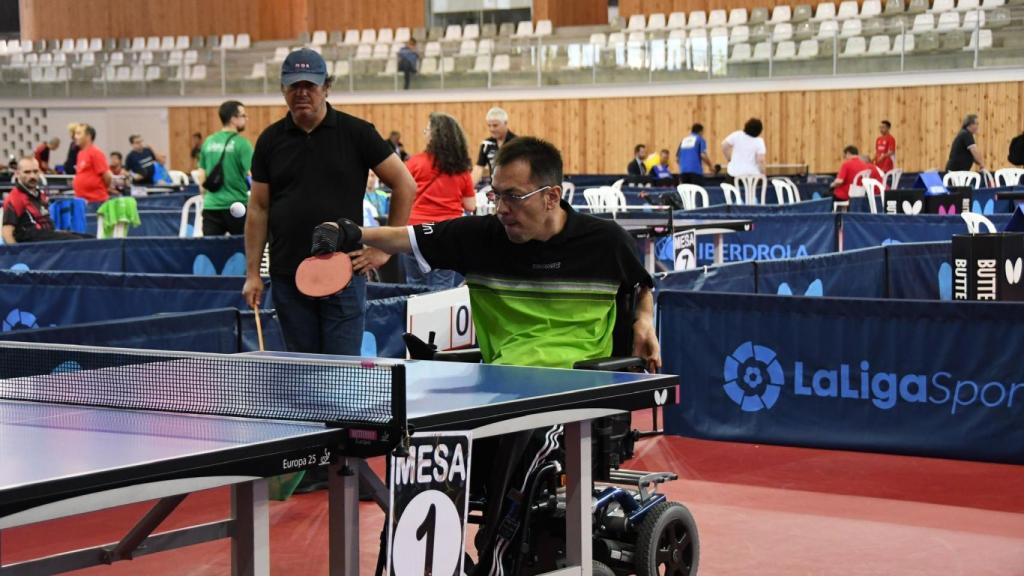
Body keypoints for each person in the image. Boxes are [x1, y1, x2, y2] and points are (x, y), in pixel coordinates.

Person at [318, 136, 661, 371]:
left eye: (513, 196)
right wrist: (352, 232)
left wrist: (644, 321)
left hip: (582, 383)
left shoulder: (606, 241)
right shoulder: (481, 237)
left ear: (552, 197)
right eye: (496, 195)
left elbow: (642, 286)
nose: (501, 208)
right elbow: (405, 237)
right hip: (506, 382)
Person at [242, 48, 416, 356]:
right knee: (303, 372)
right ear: (283, 89)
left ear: (327, 87)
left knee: (340, 374)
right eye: (295, 85)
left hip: (344, 274)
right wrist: (253, 273)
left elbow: (405, 184)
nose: (303, 92)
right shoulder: (269, 140)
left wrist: (384, 249)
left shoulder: (357, 133)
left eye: (310, 85)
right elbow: (258, 208)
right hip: (287, 276)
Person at [402, 112, 476, 288]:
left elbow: (402, 194)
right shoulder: (461, 168)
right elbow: (470, 205)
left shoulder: (414, 163)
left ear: (435, 135)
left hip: (415, 232)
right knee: (442, 288)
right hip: (448, 233)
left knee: (414, 286)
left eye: (427, 130)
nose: (424, 133)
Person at [197, 100, 253, 236]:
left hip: (211, 207)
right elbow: (253, 175)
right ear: (234, 119)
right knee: (241, 253)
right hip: (237, 208)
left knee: (212, 254)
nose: (247, 118)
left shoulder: (209, 141)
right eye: (243, 115)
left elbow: (201, 176)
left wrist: (209, 197)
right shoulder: (242, 144)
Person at [2, 157, 89, 244]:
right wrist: (17, 255)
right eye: (27, 172)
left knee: (90, 239)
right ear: (17, 174)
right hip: (33, 246)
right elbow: (7, 232)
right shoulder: (14, 198)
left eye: (35, 171)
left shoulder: (40, 195)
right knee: (78, 242)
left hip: (48, 236)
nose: (32, 176)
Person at [472, 107, 516, 184]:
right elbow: (479, 168)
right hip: (494, 186)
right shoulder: (486, 144)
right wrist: (468, 188)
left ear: (505, 123)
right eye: (489, 125)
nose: (491, 129)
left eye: (495, 125)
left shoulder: (516, 143)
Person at [72, 124, 113, 204]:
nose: (75, 137)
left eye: (79, 133)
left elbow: (108, 176)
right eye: (75, 134)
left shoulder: (95, 152)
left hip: (96, 202)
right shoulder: (80, 154)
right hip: (82, 201)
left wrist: (98, 190)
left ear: (88, 136)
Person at [830, 145, 873, 211]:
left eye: (845, 156)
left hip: (845, 195)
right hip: (859, 195)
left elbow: (839, 181)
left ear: (848, 153)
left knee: (828, 194)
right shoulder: (865, 165)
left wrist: (832, 184)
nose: (845, 158)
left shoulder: (846, 164)